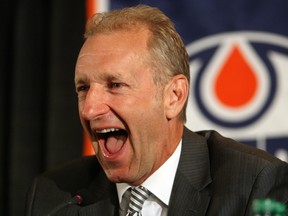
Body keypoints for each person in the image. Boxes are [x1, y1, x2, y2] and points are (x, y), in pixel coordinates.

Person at [26, 4, 288, 216]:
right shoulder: (55, 196)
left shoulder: (255, 185)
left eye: (115, 84)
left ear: (173, 96)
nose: (90, 109)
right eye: (83, 88)